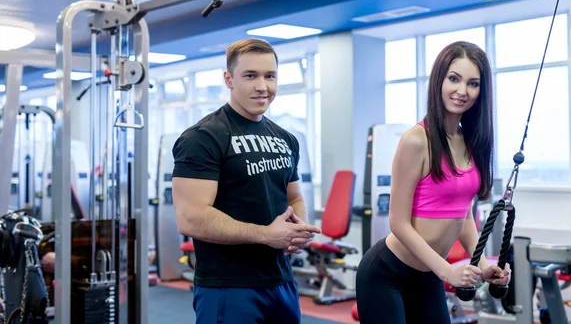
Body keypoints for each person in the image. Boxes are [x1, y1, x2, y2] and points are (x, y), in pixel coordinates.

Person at [355, 41, 511, 323]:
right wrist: (446, 271)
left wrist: (483, 265)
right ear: (439, 80)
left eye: (473, 83)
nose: (462, 91)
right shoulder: (416, 140)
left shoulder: (472, 143)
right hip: (387, 274)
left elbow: (463, 216)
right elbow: (398, 223)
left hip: (428, 277)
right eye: (454, 79)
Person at [171, 38, 321, 324]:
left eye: (270, 76)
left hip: (281, 280)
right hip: (229, 285)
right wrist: (267, 235)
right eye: (250, 75)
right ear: (229, 79)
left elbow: (294, 198)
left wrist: (298, 230)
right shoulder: (203, 137)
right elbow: (190, 218)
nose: (262, 86)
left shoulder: (286, 139)